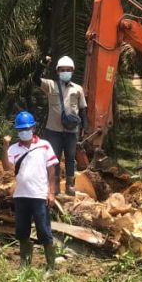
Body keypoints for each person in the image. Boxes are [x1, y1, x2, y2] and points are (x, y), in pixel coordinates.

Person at [1, 111, 59, 274]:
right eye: (20, 129)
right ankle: (25, 265)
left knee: (44, 230)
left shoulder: (44, 145)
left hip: (39, 195)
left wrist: (51, 192)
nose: (24, 132)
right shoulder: (13, 148)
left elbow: (52, 169)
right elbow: (7, 167)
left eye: (26, 128)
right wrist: (5, 147)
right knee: (22, 231)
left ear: (33, 128)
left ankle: (50, 267)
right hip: (21, 195)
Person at [34, 54, 87, 196]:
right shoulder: (50, 85)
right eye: (62, 69)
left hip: (72, 131)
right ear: (58, 71)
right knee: (54, 158)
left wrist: (84, 128)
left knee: (70, 158)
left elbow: (82, 109)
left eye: (68, 69)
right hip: (54, 130)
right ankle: (55, 186)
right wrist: (43, 64)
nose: (65, 72)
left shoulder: (78, 89)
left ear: (72, 71)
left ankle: (70, 185)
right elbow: (35, 79)